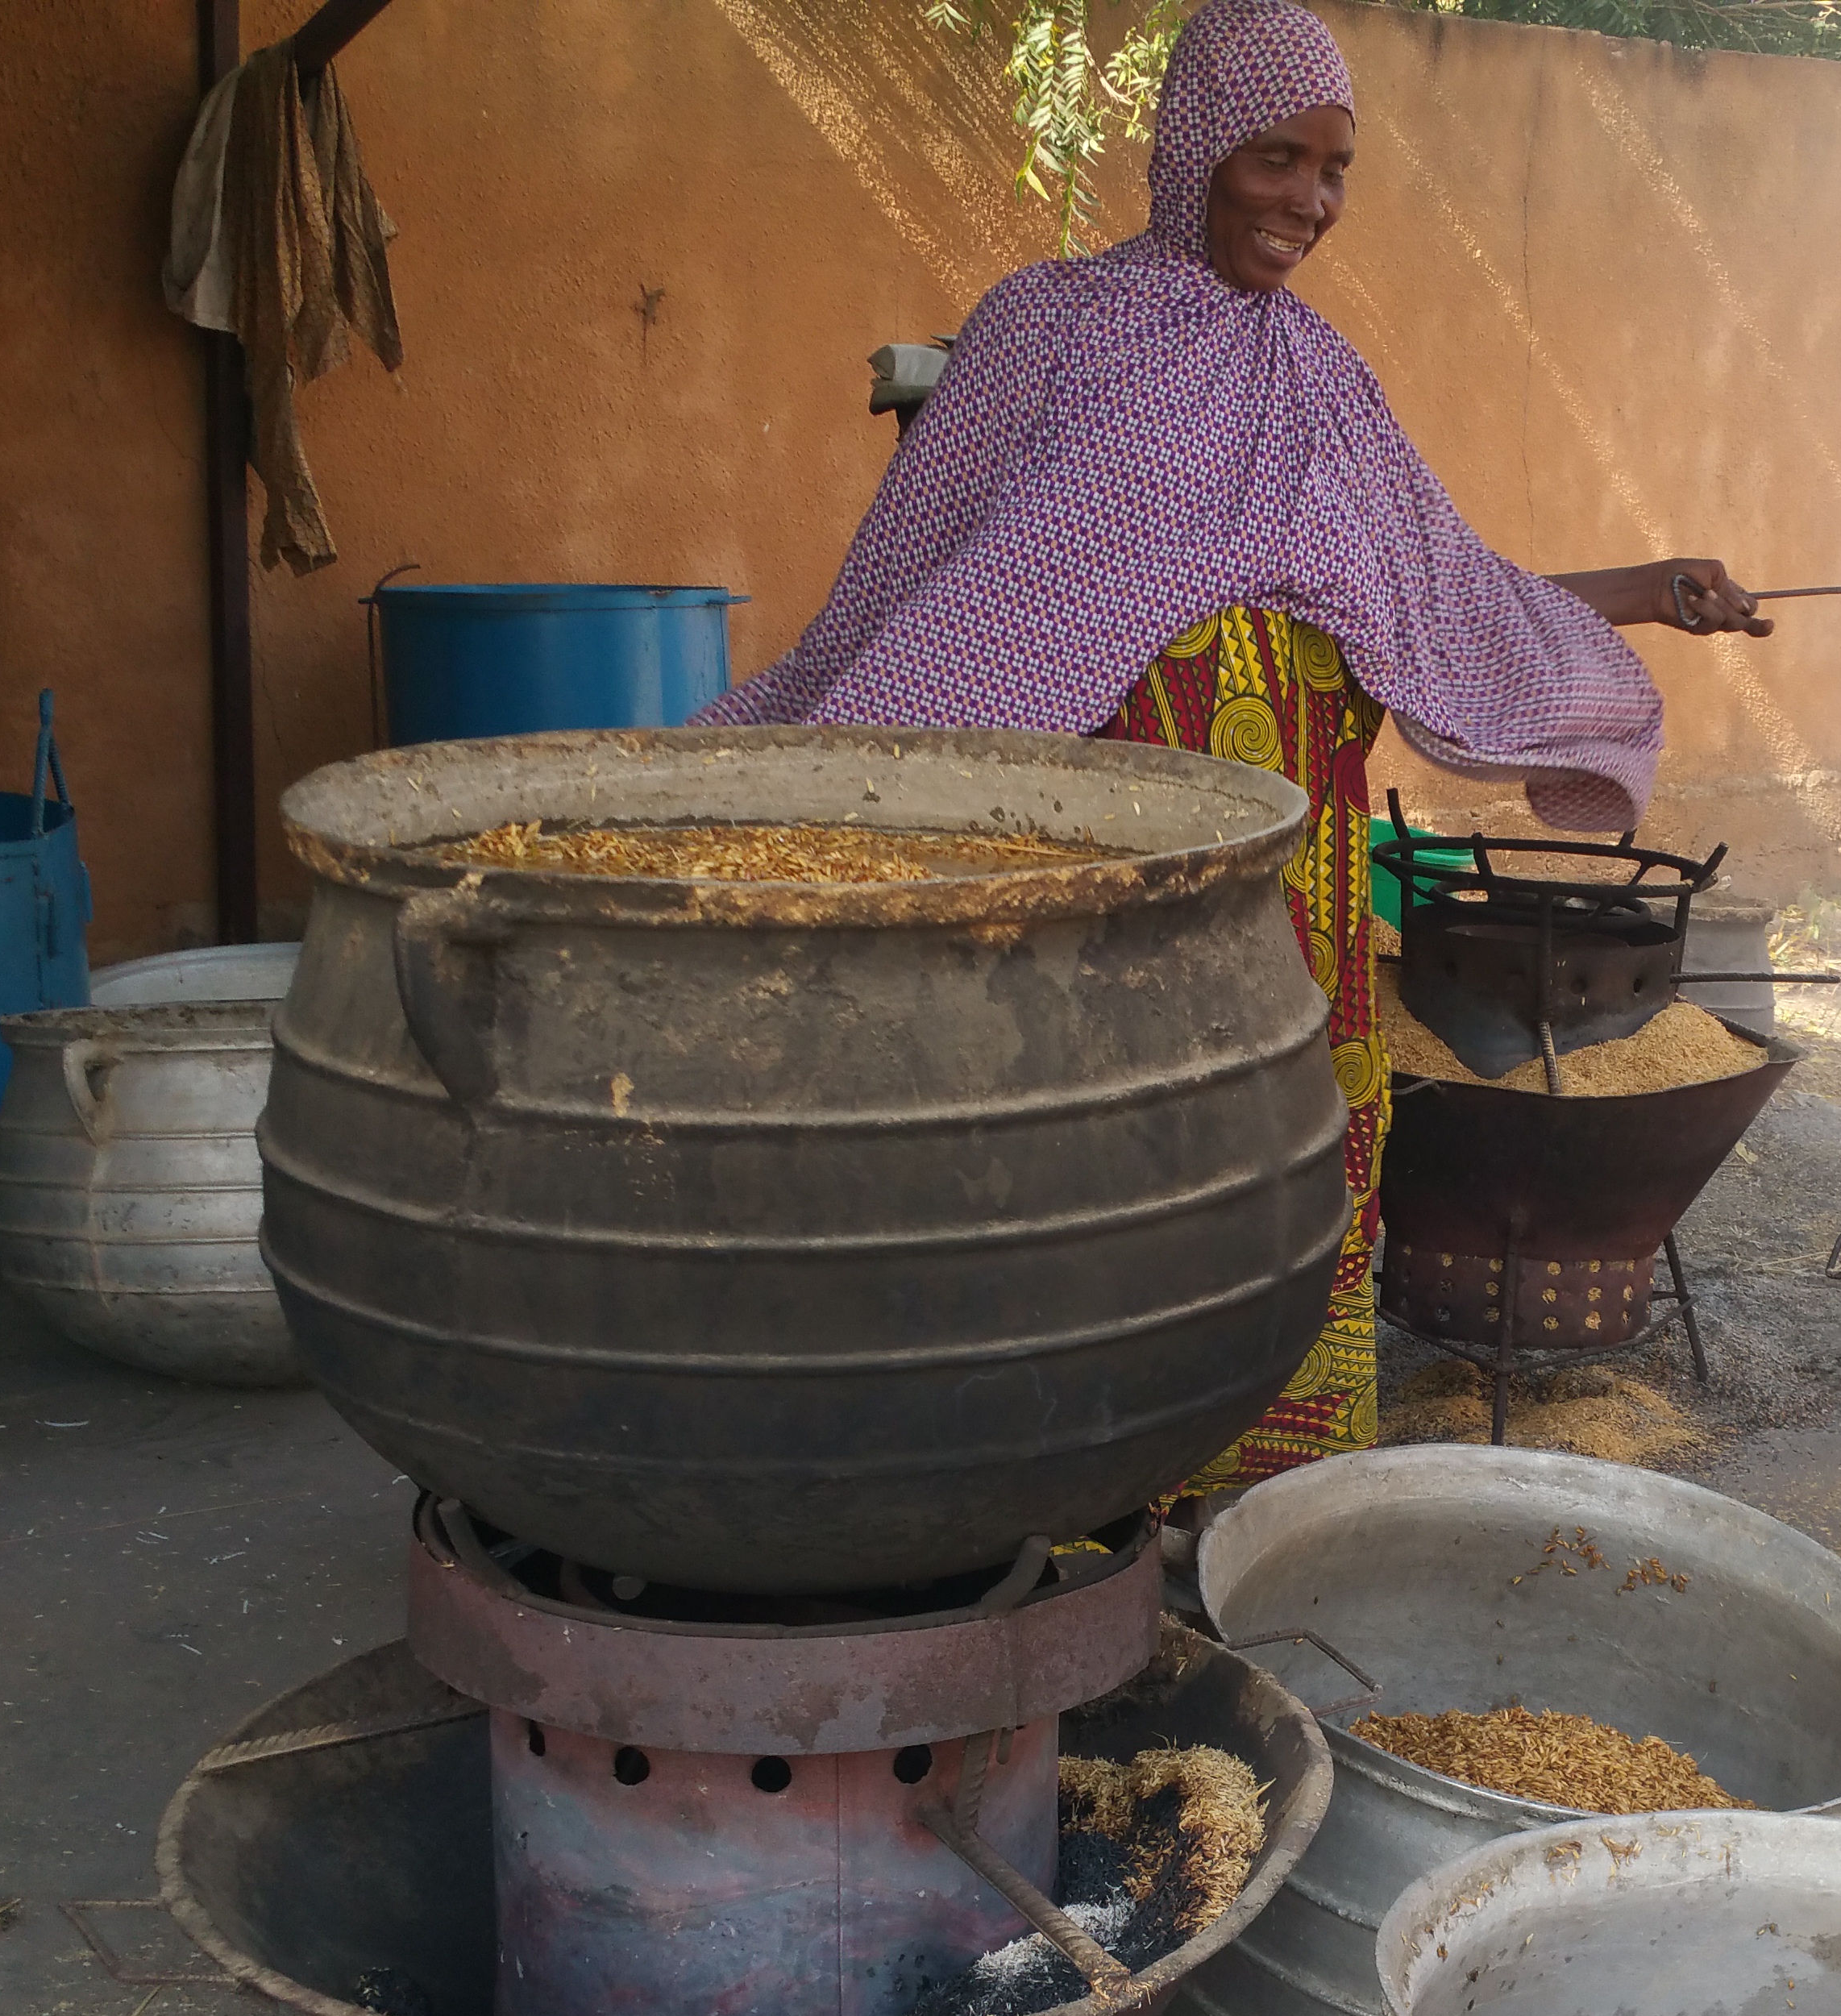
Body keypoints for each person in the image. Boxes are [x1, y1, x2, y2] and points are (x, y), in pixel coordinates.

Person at [696, 0, 1765, 1495]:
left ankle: (1260, 1499)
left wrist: (1653, 591)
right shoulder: (1049, 331)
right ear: (1198, 144)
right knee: (1082, 1160)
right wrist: (811, 761)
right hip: (1099, 905)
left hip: (1291, 917)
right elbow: (922, 585)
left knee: (1269, 1163)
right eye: (1280, 158)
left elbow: (1442, 594)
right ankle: (1064, 1490)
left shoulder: (1320, 383)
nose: (1311, 204)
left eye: (1337, 171)